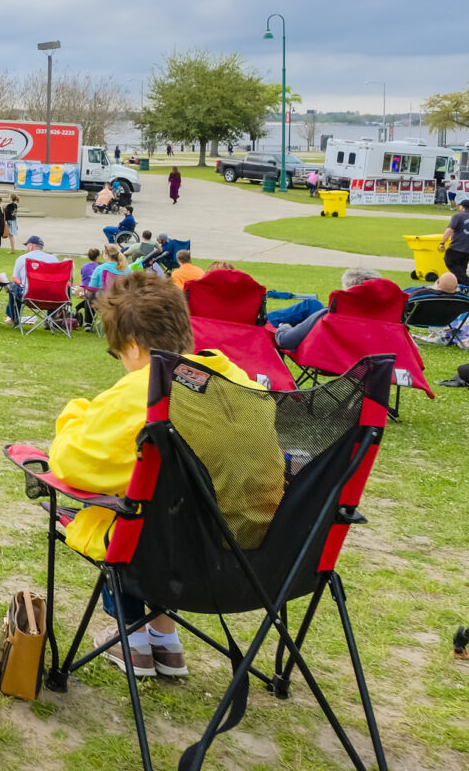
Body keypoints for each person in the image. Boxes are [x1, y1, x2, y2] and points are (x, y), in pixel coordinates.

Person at [50, 273, 279, 678]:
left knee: (130, 513)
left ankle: (133, 642)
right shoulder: (239, 381)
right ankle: (164, 639)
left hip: (164, 555)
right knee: (164, 498)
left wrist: (75, 413)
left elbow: (75, 463)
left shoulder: (142, 393)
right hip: (250, 553)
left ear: (134, 346)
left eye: (116, 352)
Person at [7, 234, 58, 321]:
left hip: (29, 296)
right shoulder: (54, 259)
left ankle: (14, 318)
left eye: (26, 246)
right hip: (51, 297)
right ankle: (50, 319)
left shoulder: (22, 259)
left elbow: (16, 279)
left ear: (31, 246)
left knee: (12, 287)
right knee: (56, 288)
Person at [442, 200, 469, 285]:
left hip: (457, 246)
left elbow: (450, 230)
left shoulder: (458, 216)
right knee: (462, 268)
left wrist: (442, 242)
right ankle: (461, 287)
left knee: (450, 261)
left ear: (462, 207)